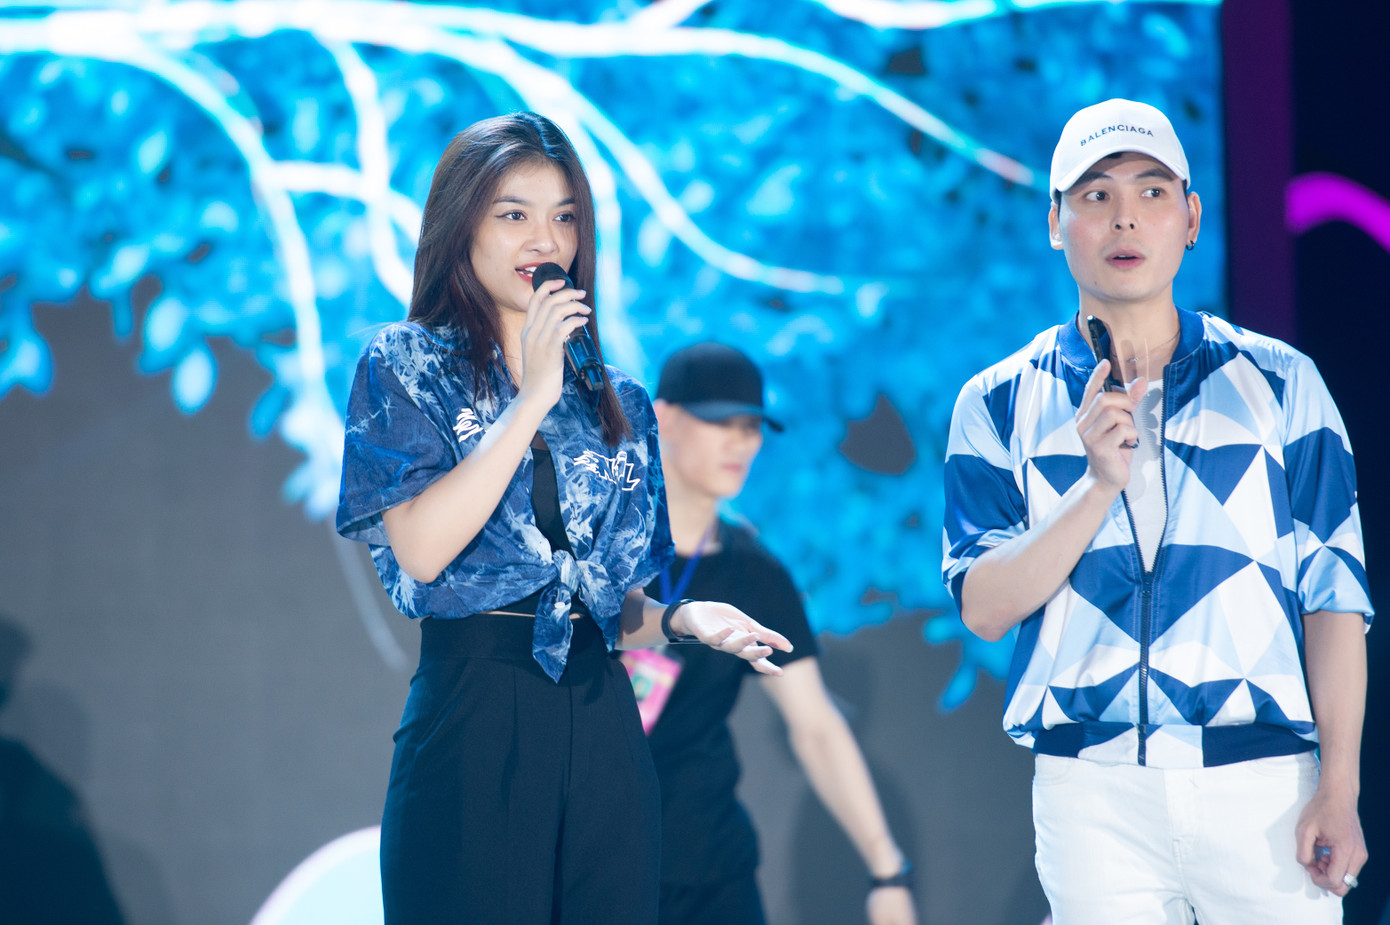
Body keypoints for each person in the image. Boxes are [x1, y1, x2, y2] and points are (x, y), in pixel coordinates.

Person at [335, 113, 792, 925]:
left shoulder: (621, 401)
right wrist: (534, 394)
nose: (544, 240)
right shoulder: (405, 364)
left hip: (602, 720)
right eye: (514, 214)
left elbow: (608, 602)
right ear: (462, 224)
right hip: (474, 714)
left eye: (564, 216)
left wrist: (682, 618)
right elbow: (423, 550)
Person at [942, 98, 1373, 924]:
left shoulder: (1280, 382)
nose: (1125, 218)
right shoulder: (996, 401)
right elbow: (985, 606)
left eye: (1150, 192)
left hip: (1262, 785)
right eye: (1095, 195)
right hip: (1090, 792)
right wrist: (1095, 486)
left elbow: (1335, 596)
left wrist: (1340, 782)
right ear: (1055, 222)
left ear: (1192, 217)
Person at [627, 342, 917, 925]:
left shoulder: (755, 573)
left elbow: (815, 725)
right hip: (593, 860)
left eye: (752, 427)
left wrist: (887, 872)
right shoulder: (604, 544)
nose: (741, 444)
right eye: (720, 422)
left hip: (710, 864)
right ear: (664, 418)